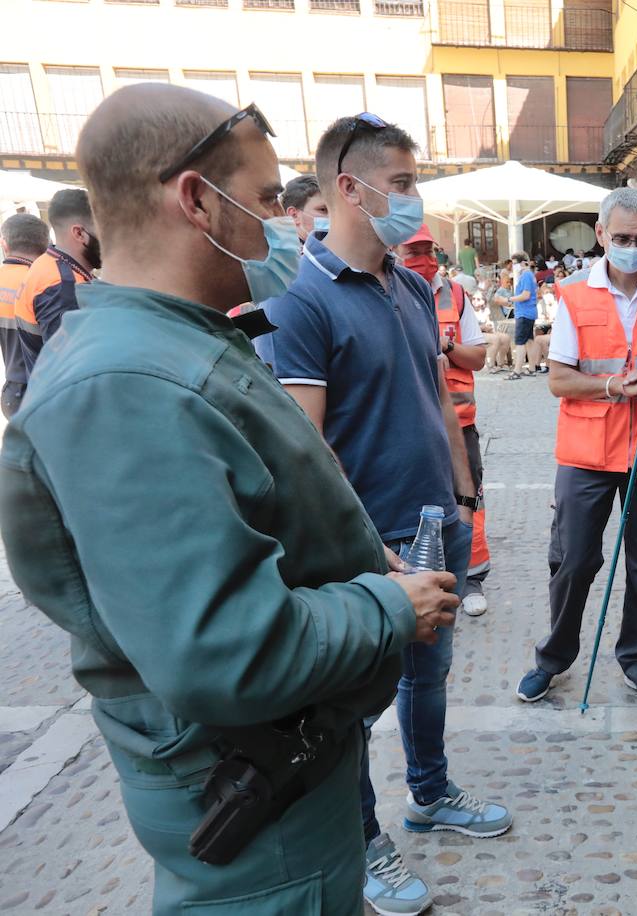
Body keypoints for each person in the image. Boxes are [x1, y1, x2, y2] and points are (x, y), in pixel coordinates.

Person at [0, 83, 468, 915]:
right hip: (254, 796)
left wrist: (359, 560)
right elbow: (226, 649)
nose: (284, 224)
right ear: (195, 201)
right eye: (260, 199)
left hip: (282, 778)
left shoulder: (173, 344)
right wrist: (386, 606)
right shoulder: (128, 386)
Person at [257, 112, 511, 916]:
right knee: (355, 707)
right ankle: (361, 838)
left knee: (428, 680)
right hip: (365, 546)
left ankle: (430, 793)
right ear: (347, 188)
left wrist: (466, 496)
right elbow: (307, 445)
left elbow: (438, 394)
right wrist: (376, 554)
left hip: (435, 521)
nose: (414, 199)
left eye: (413, 182)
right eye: (400, 185)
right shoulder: (302, 302)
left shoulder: (411, 283)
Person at [516, 186, 637, 712]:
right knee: (574, 561)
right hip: (587, 453)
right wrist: (615, 387)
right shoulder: (576, 294)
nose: (632, 247)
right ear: (601, 235)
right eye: (621, 237)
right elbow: (558, 379)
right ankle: (552, 659)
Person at [398, 224, 495, 619]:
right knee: (417, 504)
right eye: (412, 249)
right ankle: (421, 579)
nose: (421, 257)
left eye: (426, 248)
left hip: (460, 422)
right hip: (410, 423)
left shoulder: (454, 293)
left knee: (468, 500)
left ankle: (470, 578)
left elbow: (478, 357)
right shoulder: (386, 290)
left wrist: (447, 346)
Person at [15, 187, 100, 377]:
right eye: (104, 230)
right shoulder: (62, 286)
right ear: (79, 233)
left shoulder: (46, 263)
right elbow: (69, 368)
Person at [0, 213, 47, 417]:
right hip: (49, 392)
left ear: (4, 244)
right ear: (46, 245)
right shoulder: (49, 284)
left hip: (15, 393)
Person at [508, 250, 539, 380]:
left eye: (515, 263)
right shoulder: (530, 275)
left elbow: (525, 295)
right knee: (529, 341)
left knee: (519, 342)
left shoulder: (525, 275)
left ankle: (517, 371)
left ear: (523, 263)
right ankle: (532, 368)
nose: (514, 266)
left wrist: (511, 299)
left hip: (524, 313)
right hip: (529, 312)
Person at [282, 173, 328, 244]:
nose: (332, 216)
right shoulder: (283, 253)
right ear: (294, 215)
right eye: (323, 210)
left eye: (333, 209)